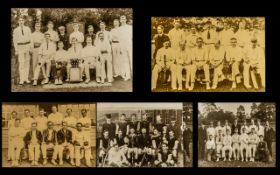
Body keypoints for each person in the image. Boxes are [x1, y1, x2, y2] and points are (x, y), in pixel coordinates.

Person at [13, 16, 32, 85]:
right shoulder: (16, 30)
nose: (21, 22)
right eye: (20, 20)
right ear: (18, 22)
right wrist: (16, 50)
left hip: (27, 46)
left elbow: (31, 38)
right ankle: (22, 79)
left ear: (24, 21)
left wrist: (30, 48)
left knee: (27, 62)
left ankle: (26, 78)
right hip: (20, 46)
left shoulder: (27, 29)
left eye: (22, 20)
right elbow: (14, 40)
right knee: (21, 63)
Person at [118, 15, 133, 80]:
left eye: (124, 18)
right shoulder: (119, 29)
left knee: (132, 59)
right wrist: (121, 47)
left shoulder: (130, 27)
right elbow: (119, 39)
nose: (123, 20)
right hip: (122, 45)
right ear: (120, 20)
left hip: (129, 44)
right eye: (121, 19)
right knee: (125, 60)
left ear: (126, 20)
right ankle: (127, 75)